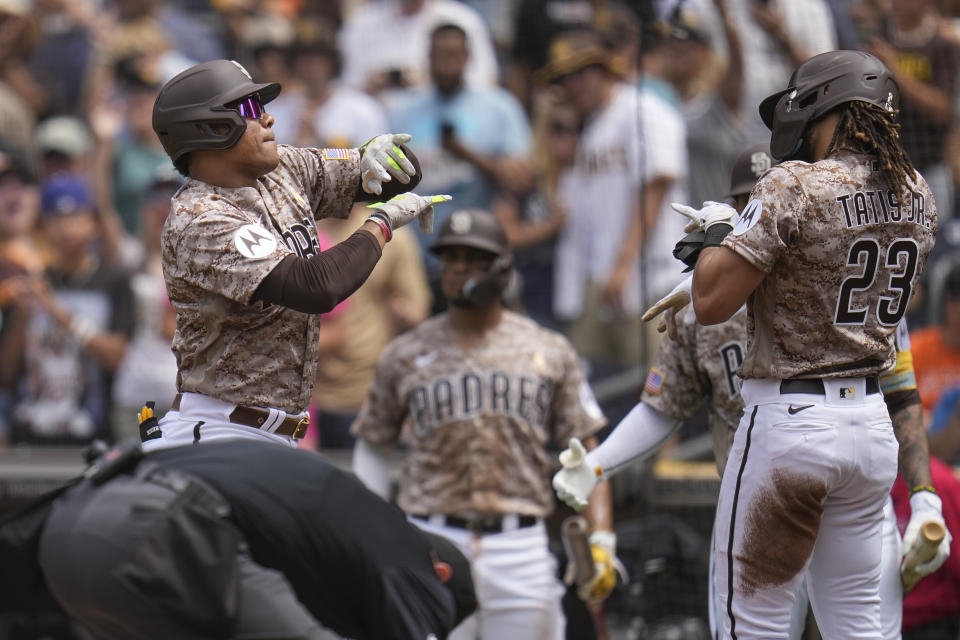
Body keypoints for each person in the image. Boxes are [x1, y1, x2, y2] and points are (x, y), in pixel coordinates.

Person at [553, 144, 944, 640]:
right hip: (763, 499)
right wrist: (598, 464)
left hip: (832, 488)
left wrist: (925, 496)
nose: (750, 215)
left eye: (754, 203)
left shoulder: (846, 280)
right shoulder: (702, 297)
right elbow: (664, 408)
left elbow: (902, 393)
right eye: (743, 203)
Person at [672, 49, 941, 637]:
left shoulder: (793, 183)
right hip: (871, 429)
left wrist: (720, 229)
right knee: (861, 628)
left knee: (753, 624)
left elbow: (711, 300)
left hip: (790, 424)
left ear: (824, 105)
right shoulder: (918, 192)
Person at [142, 58, 449, 451]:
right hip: (220, 430)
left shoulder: (282, 167)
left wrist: (382, 156)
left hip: (278, 432)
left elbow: (398, 173)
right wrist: (381, 225)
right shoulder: (200, 219)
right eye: (251, 110)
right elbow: (316, 287)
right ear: (211, 128)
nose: (268, 119)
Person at [351, 208, 616, 640]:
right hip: (430, 537)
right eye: (451, 258)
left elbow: (586, 448)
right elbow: (374, 445)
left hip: (519, 544)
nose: (459, 269)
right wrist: (372, 537)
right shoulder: (406, 352)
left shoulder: (548, 349)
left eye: (473, 258)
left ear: (502, 265)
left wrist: (600, 539)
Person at [14, 438, 477, 640]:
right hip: (157, 532)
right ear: (439, 571)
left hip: (66, 529)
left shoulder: (335, 526)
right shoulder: (407, 554)